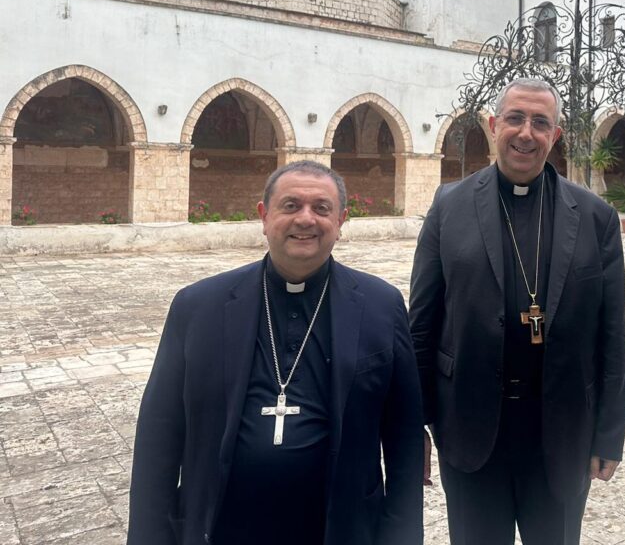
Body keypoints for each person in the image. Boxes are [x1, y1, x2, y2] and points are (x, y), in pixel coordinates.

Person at [128, 161, 423, 545]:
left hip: (341, 528)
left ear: (341, 221)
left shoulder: (382, 304)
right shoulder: (197, 306)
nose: (306, 219)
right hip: (223, 527)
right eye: (290, 206)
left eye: (321, 208)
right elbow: (158, 437)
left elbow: (404, 438)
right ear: (264, 217)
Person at [409, 78, 625, 545]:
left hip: (562, 433)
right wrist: (417, 424)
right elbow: (422, 325)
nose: (526, 133)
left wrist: (609, 433)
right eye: (515, 118)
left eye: (540, 122)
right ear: (493, 125)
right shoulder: (449, 206)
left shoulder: (595, 217)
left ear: (557, 134)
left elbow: (611, 334)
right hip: (469, 428)